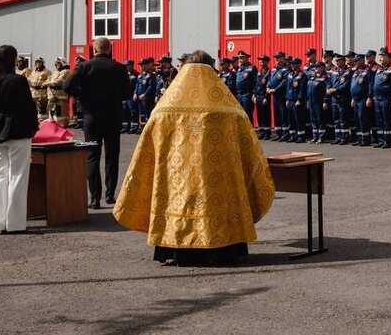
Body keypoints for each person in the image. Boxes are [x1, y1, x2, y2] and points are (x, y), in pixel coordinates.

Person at [114, 49, 274, 267]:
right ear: (212, 69)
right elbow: (249, 147)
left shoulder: (164, 110)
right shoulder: (230, 110)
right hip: (219, 183)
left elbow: (147, 147)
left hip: (176, 177)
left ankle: (177, 249)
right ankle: (222, 250)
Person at [64, 37, 133, 209]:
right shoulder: (119, 68)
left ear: (94, 50)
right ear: (109, 49)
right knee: (112, 155)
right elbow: (127, 94)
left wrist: (82, 95)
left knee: (92, 155)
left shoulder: (84, 66)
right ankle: (110, 195)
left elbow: (67, 86)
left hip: (91, 117)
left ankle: (94, 198)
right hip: (112, 116)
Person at [0, 45, 39, 233]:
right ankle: (15, 223)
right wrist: (34, 126)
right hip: (18, 130)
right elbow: (28, 106)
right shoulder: (18, 80)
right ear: (13, 59)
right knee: (18, 176)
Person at [369, 47, 391, 148]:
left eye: (382, 57)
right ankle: (381, 140)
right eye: (380, 57)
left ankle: (388, 140)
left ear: (388, 58)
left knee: (387, 120)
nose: (381, 59)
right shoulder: (379, 69)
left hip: (387, 98)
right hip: (377, 98)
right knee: (379, 120)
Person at [328, 54, 353, 145]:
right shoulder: (334, 71)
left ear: (343, 61)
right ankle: (337, 137)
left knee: (343, 119)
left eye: (338, 61)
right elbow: (329, 81)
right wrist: (328, 88)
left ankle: (344, 137)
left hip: (342, 98)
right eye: (336, 61)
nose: (337, 63)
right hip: (334, 98)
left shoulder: (348, 72)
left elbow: (346, 85)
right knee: (336, 119)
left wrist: (335, 90)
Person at [131, 58, 161, 134]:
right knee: (141, 114)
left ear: (147, 65)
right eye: (140, 65)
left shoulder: (151, 75)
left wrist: (145, 94)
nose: (141, 66)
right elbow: (137, 85)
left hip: (146, 97)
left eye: (142, 65)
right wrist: (135, 93)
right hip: (139, 97)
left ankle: (149, 129)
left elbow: (151, 86)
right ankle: (142, 128)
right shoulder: (140, 75)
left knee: (147, 113)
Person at [285, 57, 307, 143]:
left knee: (299, 119)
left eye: (294, 64)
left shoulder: (302, 75)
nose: (292, 65)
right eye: (291, 63)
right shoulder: (290, 74)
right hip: (290, 99)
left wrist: (299, 99)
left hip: (297, 101)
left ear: (299, 64)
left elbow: (302, 89)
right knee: (291, 119)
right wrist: (287, 98)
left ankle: (301, 136)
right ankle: (292, 135)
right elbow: (288, 87)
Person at [268, 53, 290, 142]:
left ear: (284, 58)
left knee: (283, 114)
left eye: (279, 58)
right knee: (276, 114)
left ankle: (285, 134)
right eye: (276, 58)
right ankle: (278, 133)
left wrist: (275, 89)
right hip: (274, 95)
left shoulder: (286, 70)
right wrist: (268, 87)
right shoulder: (273, 69)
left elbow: (284, 82)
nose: (277, 59)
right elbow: (270, 80)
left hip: (282, 95)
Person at [47, 58, 73, 126]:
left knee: (60, 112)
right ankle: (56, 126)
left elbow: (58, 81)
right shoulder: (55, 72)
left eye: (58, 63)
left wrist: (48, 83)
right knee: (54, 112)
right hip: (54, 95)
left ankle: (62, 125)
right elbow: (48, 80)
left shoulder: (66, 72)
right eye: (55, 64)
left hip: (61, 96)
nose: (56, 65)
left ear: (63, 63)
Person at [307, 63, 328, 144]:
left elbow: (326, 91)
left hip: (319, 102)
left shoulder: (324, 78)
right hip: (311, 101)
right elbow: (308, 90)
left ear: (322, 68)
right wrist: (308, 101)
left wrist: (325, 101)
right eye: (315, 67)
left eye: (317, 67)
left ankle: (321, 137)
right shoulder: (312, 78)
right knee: (313, 119)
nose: (315, 68)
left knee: (320, 119)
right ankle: (315, 137)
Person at [234, 51, 257, 123]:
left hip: (247, 94)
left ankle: (250, 132)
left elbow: (256, 82)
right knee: (240, 114)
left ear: (247, 58)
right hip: (239, 95)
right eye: (239, 58)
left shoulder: (252, 68)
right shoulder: (239, 68)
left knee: (247, 114)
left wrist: (254, 94)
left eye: (242, 58)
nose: (240, 60)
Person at [253, 55, 273, 140]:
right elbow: (256, 85)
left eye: (262, 61)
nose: (261, 62)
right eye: (260, 61)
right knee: (259, 114)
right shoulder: (259, 72)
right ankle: (261, 131)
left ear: (266, 62)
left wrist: (266, 97)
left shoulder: (269, 72)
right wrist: (254, 95)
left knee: (266, 115)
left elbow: (268, 85)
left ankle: (267, 133)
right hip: (258, 96)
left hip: (264, 96)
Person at [27, 57, 51, 121]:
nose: (38, 64)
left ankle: (42, 123)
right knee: (33, 110)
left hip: (42, 94)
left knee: (42, 112)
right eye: (36, 62)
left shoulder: (47, 72)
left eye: (39, 62)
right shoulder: (33, 72)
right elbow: (29, 80)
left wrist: (43, 85)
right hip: (33, 94)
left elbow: (49, 81)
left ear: (42, 63)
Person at [121, 59, 139, 133]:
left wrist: (135, 94)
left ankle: (133, 127)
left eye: (127, 65)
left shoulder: (135, 74)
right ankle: (125, 127)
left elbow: (138, 86)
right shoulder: (124, 74)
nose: (125, 67)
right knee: (125, 111)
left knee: (133, 112)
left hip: (131, 96)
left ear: (131, 66)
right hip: (124, 96)